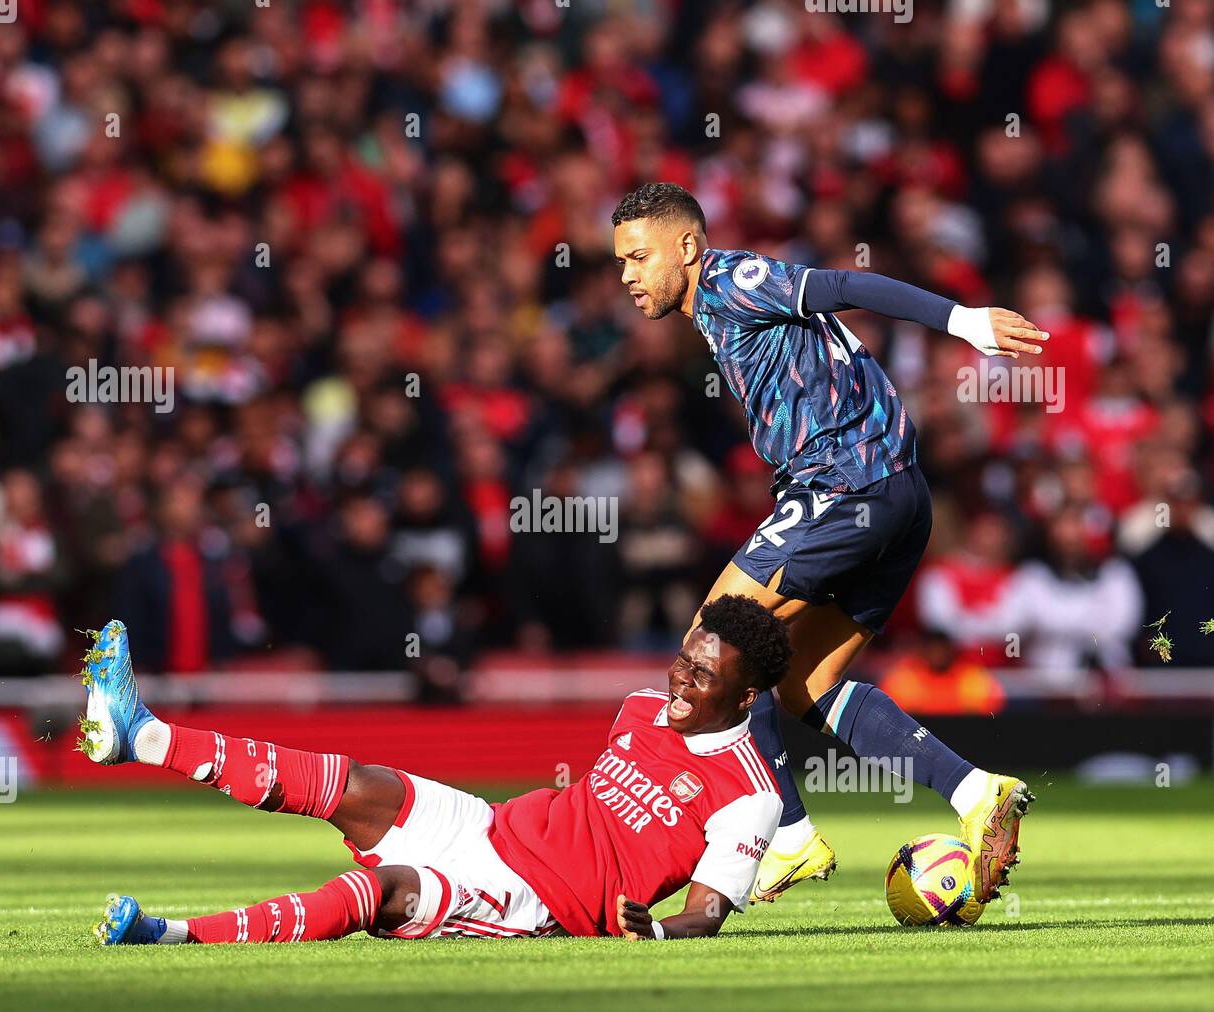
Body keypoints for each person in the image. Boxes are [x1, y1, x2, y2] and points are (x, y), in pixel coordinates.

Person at [611, 182, 1038, 903]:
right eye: (620, 260)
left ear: (687, 247)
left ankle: (787, 837)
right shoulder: (712, 312)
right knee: (805, 683)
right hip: (899, 495)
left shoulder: (729, 278)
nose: (627, 274)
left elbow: (845, 283)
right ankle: (975, 791)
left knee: (712, 641)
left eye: (639, 256)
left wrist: (961, 320)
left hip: (846, 484)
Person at [80, 597, 791, 945]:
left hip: (531, 899)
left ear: (748, 696)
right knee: (360, 785)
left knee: (382, 889)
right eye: (684, 658)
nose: (679, 679)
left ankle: (173, 935)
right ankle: (140, 735)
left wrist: (658, 931)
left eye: (702, 674)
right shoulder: (640, 705)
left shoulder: (750, 794)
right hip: (492, 826)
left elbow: (706, 914)